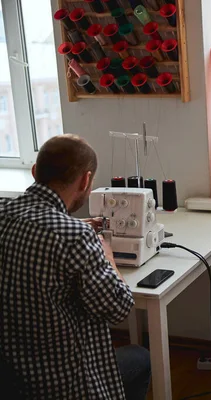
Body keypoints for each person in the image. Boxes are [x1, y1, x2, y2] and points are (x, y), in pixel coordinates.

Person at [0, 134, 151, 400]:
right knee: (140, 358)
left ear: (35, 171)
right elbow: (118, 308)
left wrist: (76, 227)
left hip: (12, 376)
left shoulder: (4, 212)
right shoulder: (74, 237)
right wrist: (108, 258)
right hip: (65, 385)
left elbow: (38, 226)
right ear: (85, 180)